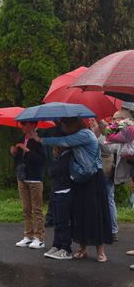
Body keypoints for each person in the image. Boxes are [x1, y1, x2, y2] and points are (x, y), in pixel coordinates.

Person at [31, 117, 112, 262]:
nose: (63, 128)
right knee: (79, 213)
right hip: (80, 178)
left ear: (70, 124)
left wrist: (41, 140)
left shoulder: (84, 134)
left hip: (93, 178)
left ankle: (100, 250)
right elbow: (66, 145)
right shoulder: (80, 135)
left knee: (95, 213)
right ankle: (83, 248)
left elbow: (66, 141)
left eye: (63, 125)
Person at [97, 109, 134, 243]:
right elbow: (111, 147)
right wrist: (102, 132)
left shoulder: (130, 130)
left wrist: (103, 127)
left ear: (125, 119)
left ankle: (113, 231)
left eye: (115, 119)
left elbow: (110, 138)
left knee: (109, 198)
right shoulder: (124, 134)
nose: (113, 122)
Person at [10, 121, 46, 249]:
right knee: (26, 209)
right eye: (21, 123)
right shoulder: (21, 139)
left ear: (32, 125)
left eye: (24, 123)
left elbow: (42, 160)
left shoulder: (39, 139)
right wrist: (14, 152)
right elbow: (19, 158)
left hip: (35, 178)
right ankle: (28, 235)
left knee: (37, 209)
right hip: (22, 176)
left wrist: (27, 150)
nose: (22, 126)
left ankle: (39, 238)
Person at [43, 146, 73, 260]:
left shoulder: (68, 156)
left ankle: (66, 248)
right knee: (57, 221)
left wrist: (54, 165)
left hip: (64, 191)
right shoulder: (59, 158)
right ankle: (56, 245)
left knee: (63, 222)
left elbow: (54, 171)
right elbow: (51, 171)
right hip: (56, 190)